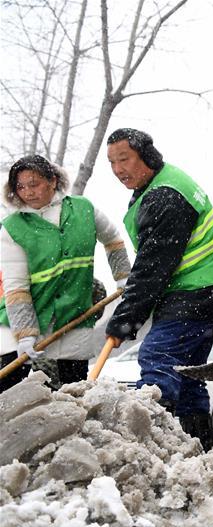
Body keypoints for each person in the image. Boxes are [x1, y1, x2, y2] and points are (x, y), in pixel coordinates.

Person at [104, 128, 213, 450]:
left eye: (124, 159)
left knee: (157, 357)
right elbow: (151, 266)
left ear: (146, 156)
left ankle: (146, 448)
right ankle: (200, 452)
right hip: (205, 291)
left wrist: (126, 319)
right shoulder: (158, 186)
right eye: (112, 163)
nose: (118, 169)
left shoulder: (167, 195)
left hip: (196, 290)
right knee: (188, 376)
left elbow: (153, 268)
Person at [0, 155, 131, 392]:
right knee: (10, 390)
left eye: (34, 183)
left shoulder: (83, 209)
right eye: (20, 187)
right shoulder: (13, 228)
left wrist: (122, 274)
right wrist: (25, 334)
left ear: (52, 180)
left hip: (74, 315)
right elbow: (16, 287)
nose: (27, 192)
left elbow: (112, 240)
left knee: (71, 391)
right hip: (23, 322)